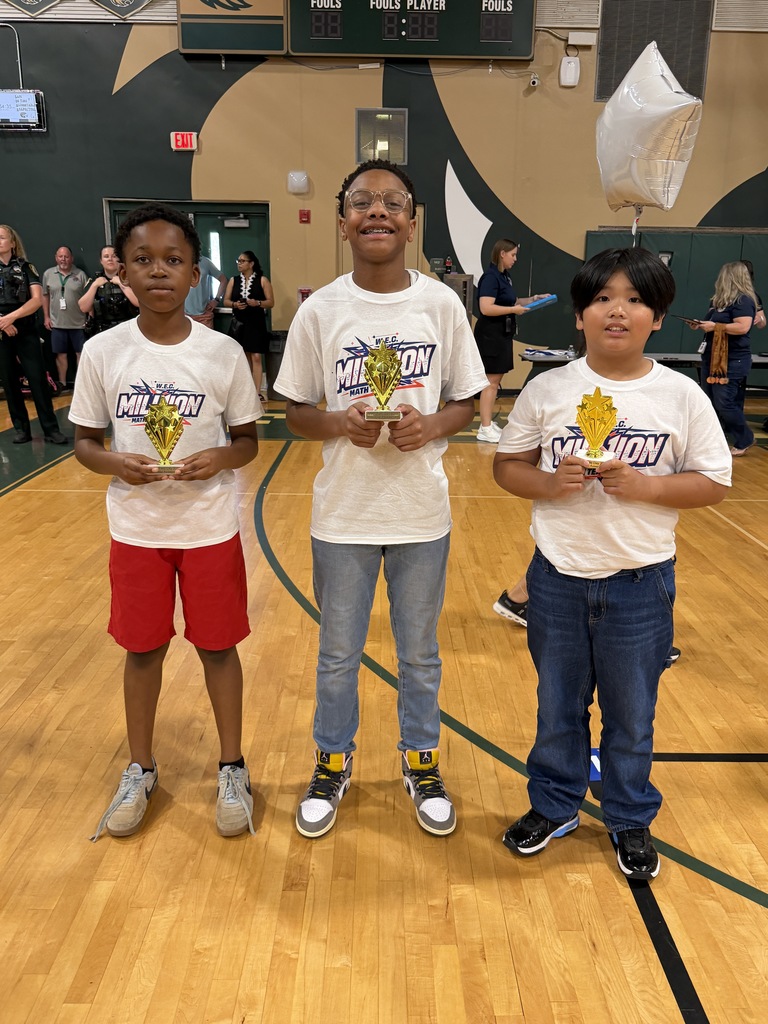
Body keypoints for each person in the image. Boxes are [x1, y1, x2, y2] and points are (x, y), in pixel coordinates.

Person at [494, 247, 731, 881]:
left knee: (632, 714)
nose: (617, 311)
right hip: (558, 580)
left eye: (634, 299)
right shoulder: (549, 389)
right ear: (579, 317)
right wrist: (550, 484)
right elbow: (506, 466)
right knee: (557, 707)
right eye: (602, 299)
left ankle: (628, 816)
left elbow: (714, 481)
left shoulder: (679, 396)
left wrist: (650, 487)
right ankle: (555, 805)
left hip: (641, 583)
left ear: (657, 316)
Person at [275, 158, 488, 839]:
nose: (377, 212)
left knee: (419, 653)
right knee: (338, 654)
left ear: (411, 221)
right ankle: (332, 761)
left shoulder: (441, 304)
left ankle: (420, 761)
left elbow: (466, 399)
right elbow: (295, 412)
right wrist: (340, 423)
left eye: (392, 202)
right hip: (343, 515)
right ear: (342, 224)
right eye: (363, 202)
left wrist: (436, 424)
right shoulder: (321, 310)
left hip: (421, 514)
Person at [69, 202, 262, 841]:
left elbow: (246, 443)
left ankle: (232, 767)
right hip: (138, 530)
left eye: (173, 260)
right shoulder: (102, 352)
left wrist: (220, 459)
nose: (159, 272)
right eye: (143, 261)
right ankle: (141, 768)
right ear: (122, 272)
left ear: (193, 272)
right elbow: (85, 443)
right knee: (143, 648)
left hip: (208, 527)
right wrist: (113, 464)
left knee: (217, 646)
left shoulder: (224, 352)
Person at [473, 238, 550, 443]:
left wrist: (533, 299)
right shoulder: (490, 277)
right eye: (513, 255)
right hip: (490, 334)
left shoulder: (504, 277)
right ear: (502, 254)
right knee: (491, 382)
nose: (515, 259)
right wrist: (513, 310)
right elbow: (486, 307)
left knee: (495, 381)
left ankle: (487, 423)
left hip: (502, 333)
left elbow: (512, 301)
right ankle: (485, 427)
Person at [0, 224, 68, 445]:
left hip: (26, 330)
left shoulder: (26, 267)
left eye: (1, 238)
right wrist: (3, 323)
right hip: (1, 333)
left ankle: (51, 430)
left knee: (38, 380)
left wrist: (12, 318)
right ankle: (21, 429)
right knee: (10, 383)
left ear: (12, 242)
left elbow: (36, 300)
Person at [692, 261, 757, 457]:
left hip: (732, 359)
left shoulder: (744, 301)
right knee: (709, 400)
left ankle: (744, 437)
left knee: (724, 402)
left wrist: (715, 327)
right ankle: (711, 440)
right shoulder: (718, 302)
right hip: (712, 357)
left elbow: (743, 327)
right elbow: (715, 324)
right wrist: (701, 325)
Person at [223, 250, 274, 399]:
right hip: (240, 322)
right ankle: (247, 390)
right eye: (238, 261)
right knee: (244, 357)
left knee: (256, 356)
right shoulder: (234, 280)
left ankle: (257, 392)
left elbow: (271, 302)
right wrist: (234, 304)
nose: (239, 263)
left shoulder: (262, 280)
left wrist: (257, 303)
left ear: (251, 263)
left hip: (256, 322)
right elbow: (225, 301)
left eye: (242, 261)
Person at [41, 245, 89, 391]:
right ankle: (61, 383)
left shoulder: (80, 274)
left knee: (80, 354)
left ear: (71, 258)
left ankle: (80, 384)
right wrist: (46, 317)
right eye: (60, 256)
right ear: (56, 258)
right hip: (57, 323)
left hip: (78, 322)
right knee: (60, 355)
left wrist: (89, 317)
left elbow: (88, 297)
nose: (63, 259)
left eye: (66, 256)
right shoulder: (48, 274)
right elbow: (45, 296)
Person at [78, 245, 139, 335]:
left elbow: (139, 303)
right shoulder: (94, 280)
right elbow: (83, 307)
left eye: (114, 256)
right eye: (106, 256)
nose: (110, 259)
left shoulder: (129, 278)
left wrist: (123, 285)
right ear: (101, 261)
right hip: (103, 331)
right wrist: (94, 286)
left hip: (127, 329)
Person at [184, 254, 227, 329]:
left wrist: (216, 300)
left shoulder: (205, 262)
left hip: (204, 316)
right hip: (183, 316)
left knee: (207, 340)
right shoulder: (179, 261)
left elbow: (223, 280)